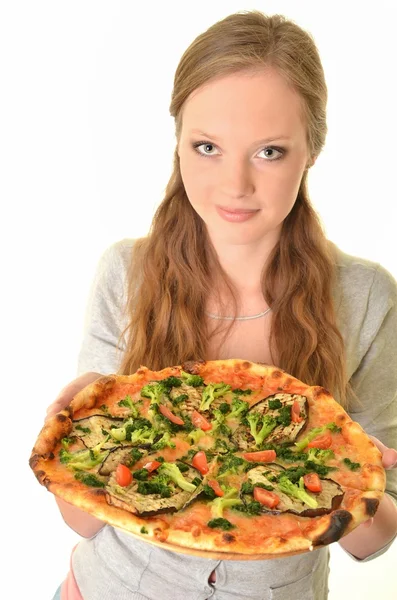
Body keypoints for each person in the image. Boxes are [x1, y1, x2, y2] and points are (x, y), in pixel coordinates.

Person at [47, 10, 397, 600]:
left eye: (269, 152)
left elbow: (373, 543)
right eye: (207, 146)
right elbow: (86, 519)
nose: (235, 184)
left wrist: (356, 482)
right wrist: (72, 440)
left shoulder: (365, 298)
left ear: (312, 149)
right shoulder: (125, 276)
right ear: (178, 141)